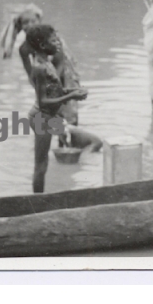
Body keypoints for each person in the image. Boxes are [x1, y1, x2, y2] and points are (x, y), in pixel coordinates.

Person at [25, 24, 100, 193]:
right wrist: (70, 97)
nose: (59, 43)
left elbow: (55, 91)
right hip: (41, 118)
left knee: (45, 163)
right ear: (43, 45)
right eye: (54, 41)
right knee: (41, 165)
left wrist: (72, 91)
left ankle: (42, 197)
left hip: (49, 117)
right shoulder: (39, 68)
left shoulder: (47, 63)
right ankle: (38, 203)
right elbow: (43, 101)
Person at [1, 5, 82, 125]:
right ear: (20, 26)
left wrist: (54, 84)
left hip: (64, 73)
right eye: (25, 22)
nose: (30, 25)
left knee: (69, 110)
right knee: (51, 109)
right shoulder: (24, 48)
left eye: (33, 21)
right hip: (47, 73)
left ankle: (69, 129)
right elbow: (30, 74)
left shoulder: (52, 39)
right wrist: (41, 88)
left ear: (39, 21)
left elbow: (61, 63)